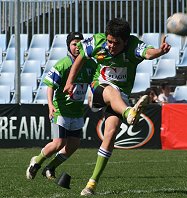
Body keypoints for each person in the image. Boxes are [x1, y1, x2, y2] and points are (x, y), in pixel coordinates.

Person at [63, 18, 170, 196]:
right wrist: (69, 82)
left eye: (116, 43)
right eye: (109, 41)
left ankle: (91, 184)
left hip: (120, 97)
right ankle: (129, 113)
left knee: (110, 134)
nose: (112, 46)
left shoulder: (134, 46)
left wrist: (160, 51)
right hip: (98, 89)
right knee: (112, 90)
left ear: (126, 41)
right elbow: (80, 57)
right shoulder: (97, 41)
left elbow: (149, 53)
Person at [26, 32, 97, 180]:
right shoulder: (63, 64)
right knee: (59, 143)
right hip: (61, 111)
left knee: (73, 145)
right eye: (73, 43)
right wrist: (50, 105)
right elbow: (50, 86)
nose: (77, 47)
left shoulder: (90, 64)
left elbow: (94, 83)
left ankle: (50, 167)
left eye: (79, 43)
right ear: (68, 46)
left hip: (77, 112)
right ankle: (36, 162)